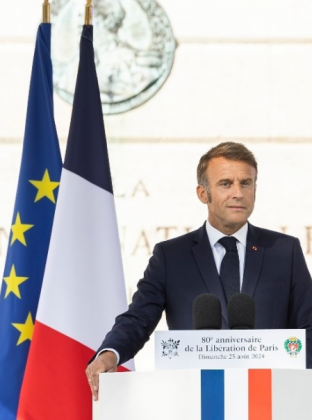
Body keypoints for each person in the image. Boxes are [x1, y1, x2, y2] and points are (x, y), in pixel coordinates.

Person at [86, 142, 312, 400]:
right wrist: (110, 353)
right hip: (196, 401)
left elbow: (309, 327)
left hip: (270, 401)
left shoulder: (284, 251)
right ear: (203, 193)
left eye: (246, 183)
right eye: (226, 184)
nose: (238, 193)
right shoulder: (170, 256)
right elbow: (138, 318)